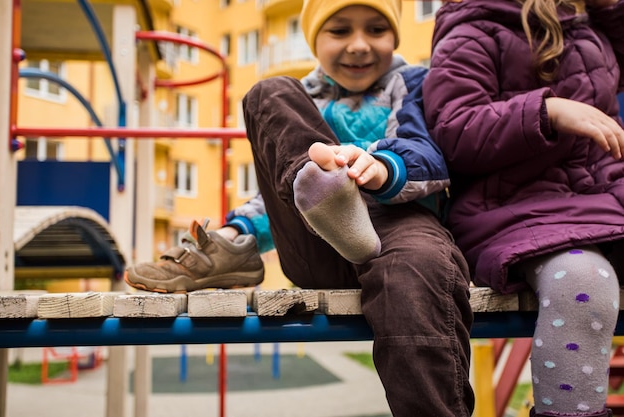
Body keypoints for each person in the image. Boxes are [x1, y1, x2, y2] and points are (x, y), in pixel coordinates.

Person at [125, 0, 475, 414]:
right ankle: (325, 189)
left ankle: (337, 194)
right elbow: (270, 199)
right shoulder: (299, 99)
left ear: (395, 37)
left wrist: (380, 168)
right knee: (267, 91)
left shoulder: (414, 81)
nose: (359, 45)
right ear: (314, 40)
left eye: (376, 30)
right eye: (340, 31)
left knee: (420, 267)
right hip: (318, 241)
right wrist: (232, 236)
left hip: (398, 223)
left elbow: (430, 155)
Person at [423, 0, 624, 416]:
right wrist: (546, 111)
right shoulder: (474, 29)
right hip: (518, 209)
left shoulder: (593, 25)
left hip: (603, 197)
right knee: (582, 282)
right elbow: (453, 131)